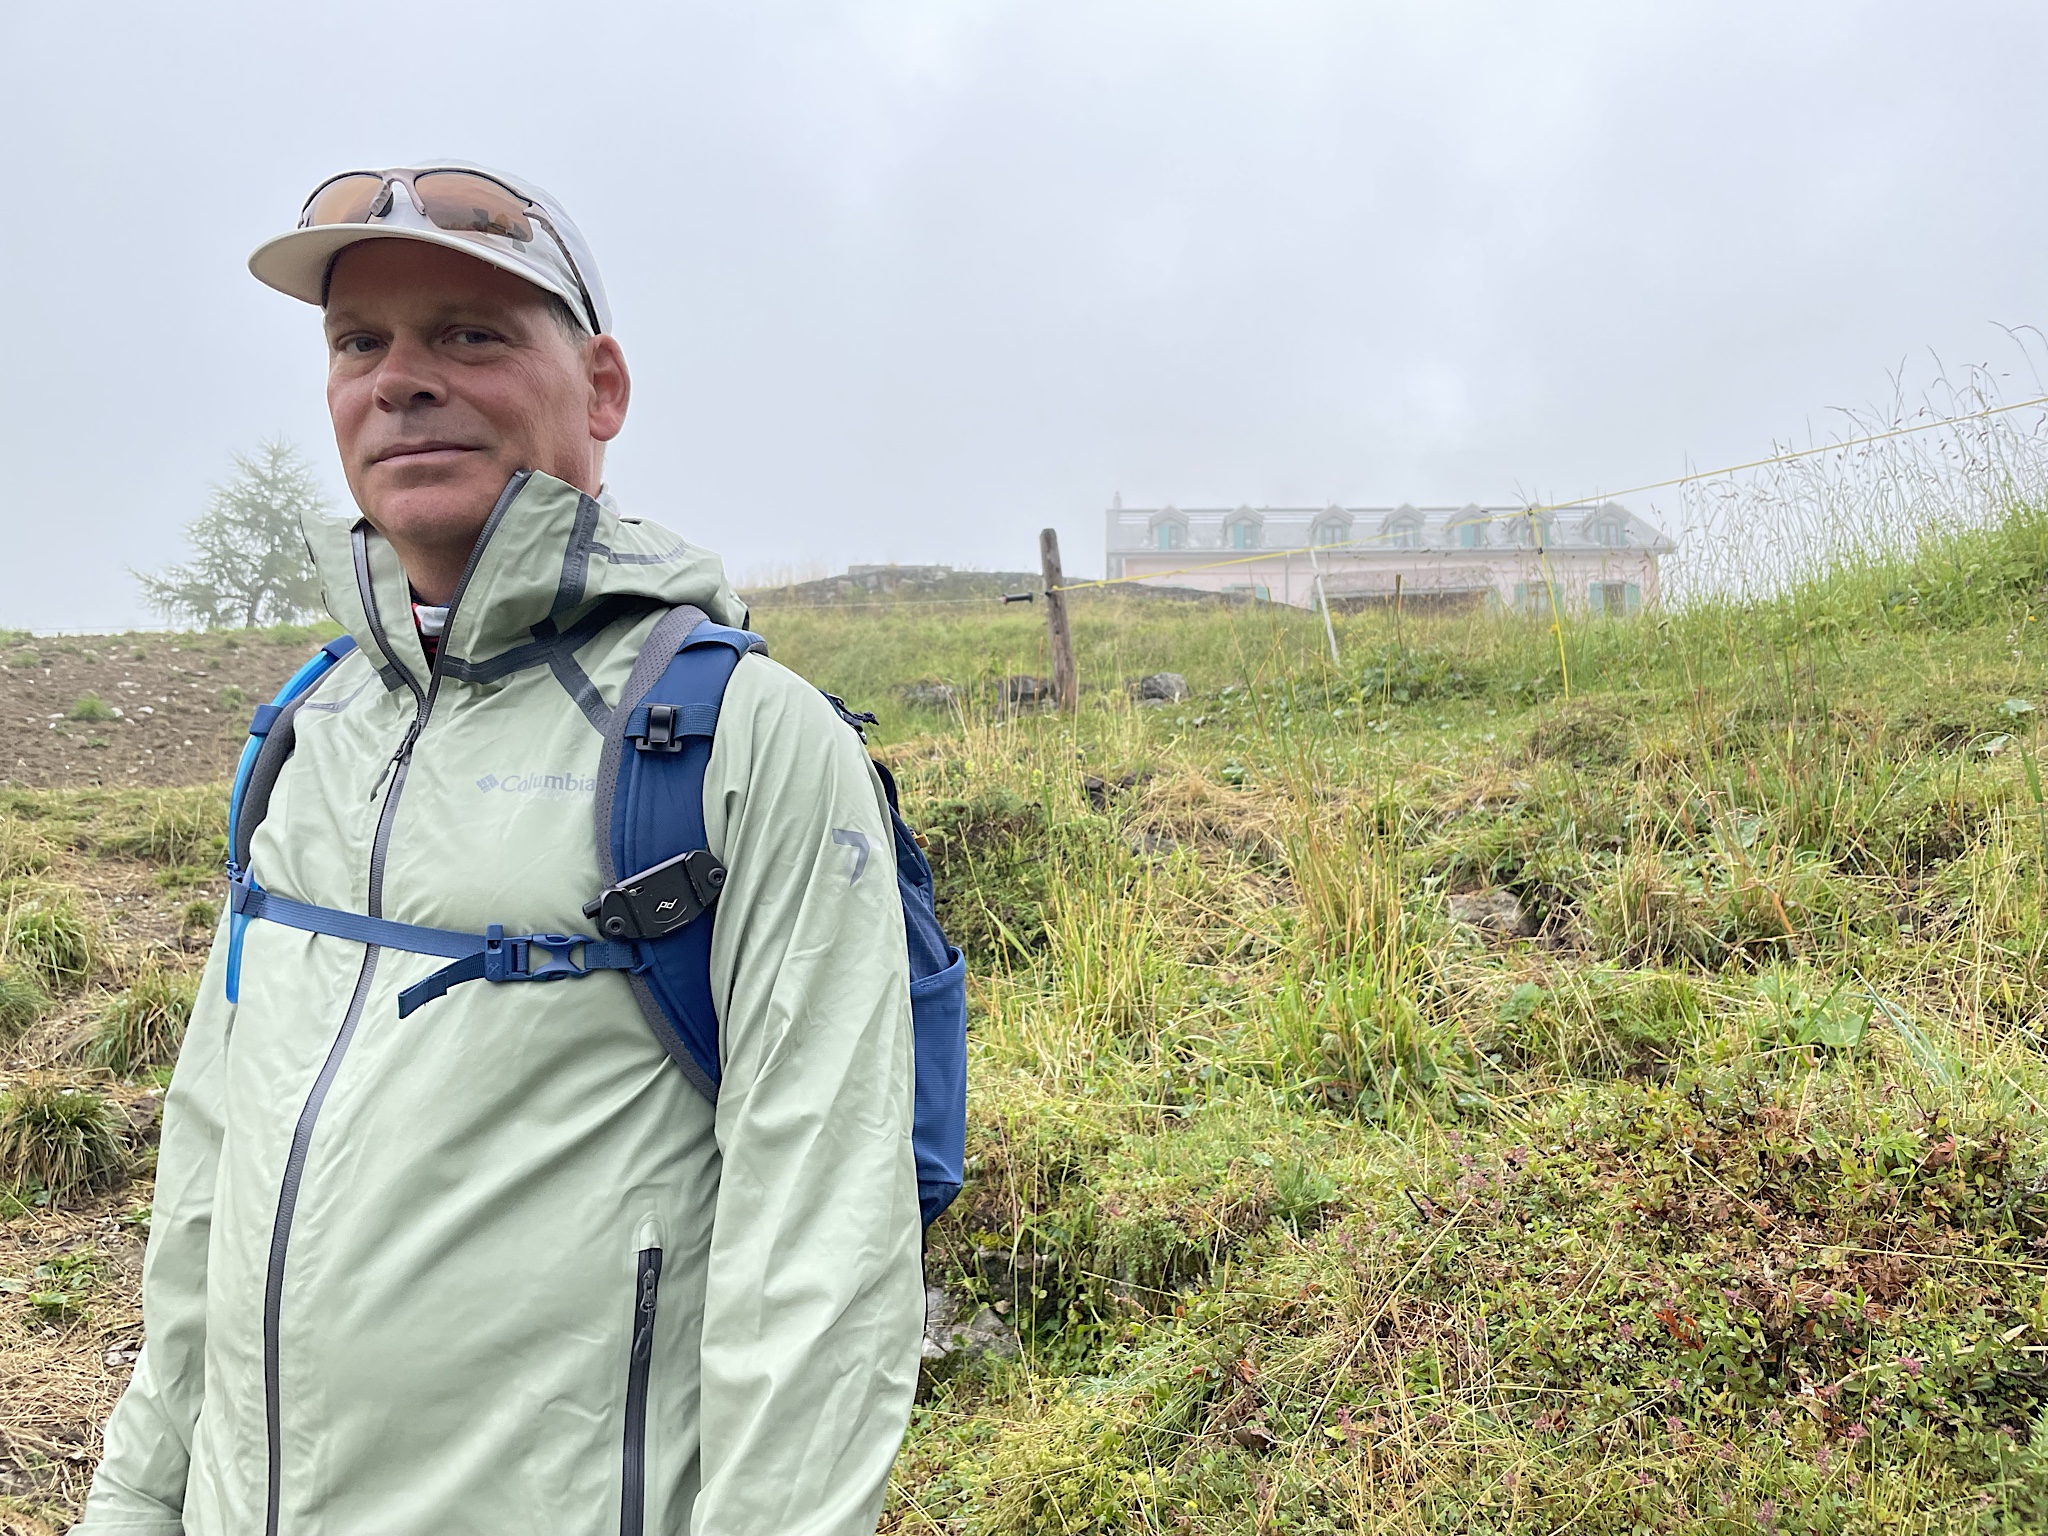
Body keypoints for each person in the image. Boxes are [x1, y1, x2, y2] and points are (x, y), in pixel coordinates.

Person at [76, 164, 924, 1536]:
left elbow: (824, 1253)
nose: (400, 379)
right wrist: (131, 1506)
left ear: (601, 389)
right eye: (361, 342)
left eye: (470, 332)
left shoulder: (740, 741)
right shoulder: (309, 730)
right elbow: (205, 1190)